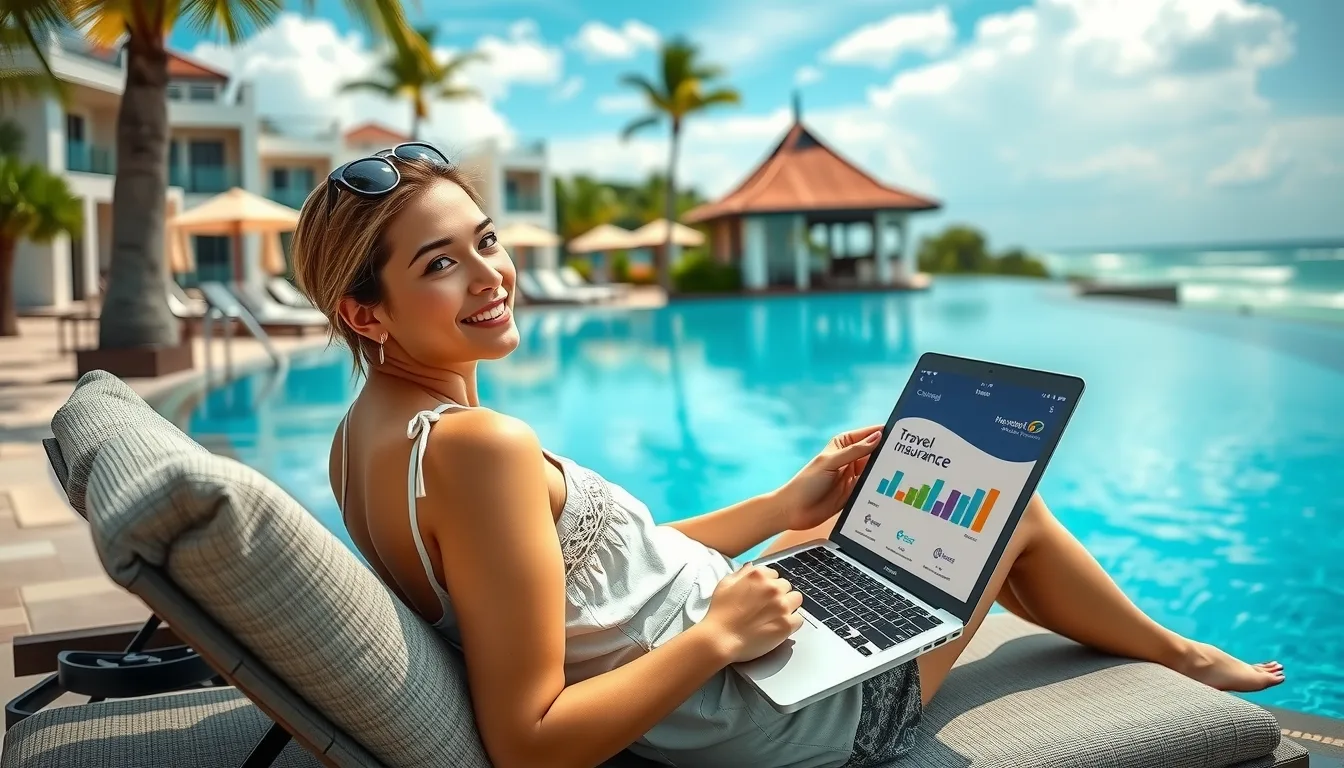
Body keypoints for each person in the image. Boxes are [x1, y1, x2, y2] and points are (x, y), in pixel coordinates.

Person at [290, 144, 1284, 768]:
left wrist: (781, 505)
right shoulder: (481, 448)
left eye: (485, 240)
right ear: (364, 312)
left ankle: (1164, 649)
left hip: (734, 654)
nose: (490, 276)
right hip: (770, 715)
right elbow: (528, 743)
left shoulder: (362, 439)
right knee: (1006, 508)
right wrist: (719, 637)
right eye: (440, 263)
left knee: (886, 518)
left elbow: (571, 577)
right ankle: (1179, 656)